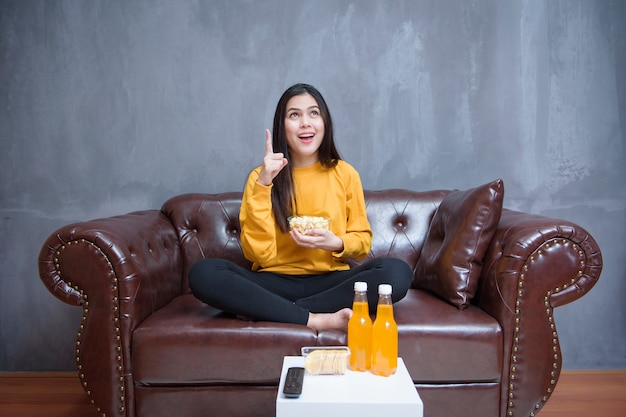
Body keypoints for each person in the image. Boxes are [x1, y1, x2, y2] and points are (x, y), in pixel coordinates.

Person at [188, 83, 413, 331]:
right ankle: (313, 318)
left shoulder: (345, 173)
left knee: (396, 272)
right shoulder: (260, 176)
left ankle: (273, 309)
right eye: (294, 115)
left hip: (331, 282)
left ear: (324, 122)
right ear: (282, 127)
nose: (305, 122)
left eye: (313, 113)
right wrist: (264, 184)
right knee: (203, 273)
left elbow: (362, 243)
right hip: (271, 281)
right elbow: (257, 255)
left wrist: (336, 243)